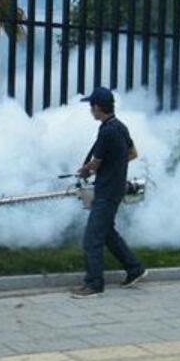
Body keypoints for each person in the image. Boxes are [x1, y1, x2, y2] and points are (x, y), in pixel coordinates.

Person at [72, 87, 147, 299]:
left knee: (92, 239)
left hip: (106, 191)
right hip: (116, 188)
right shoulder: (120, 126)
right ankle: (134, 269)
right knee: (107, 234)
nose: (90, 110)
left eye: (91, 106)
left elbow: (95, 163)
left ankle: (94, 284)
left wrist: (85, 171)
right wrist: (115, 165)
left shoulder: (106, 131)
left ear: (97, 107)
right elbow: (132, 153)